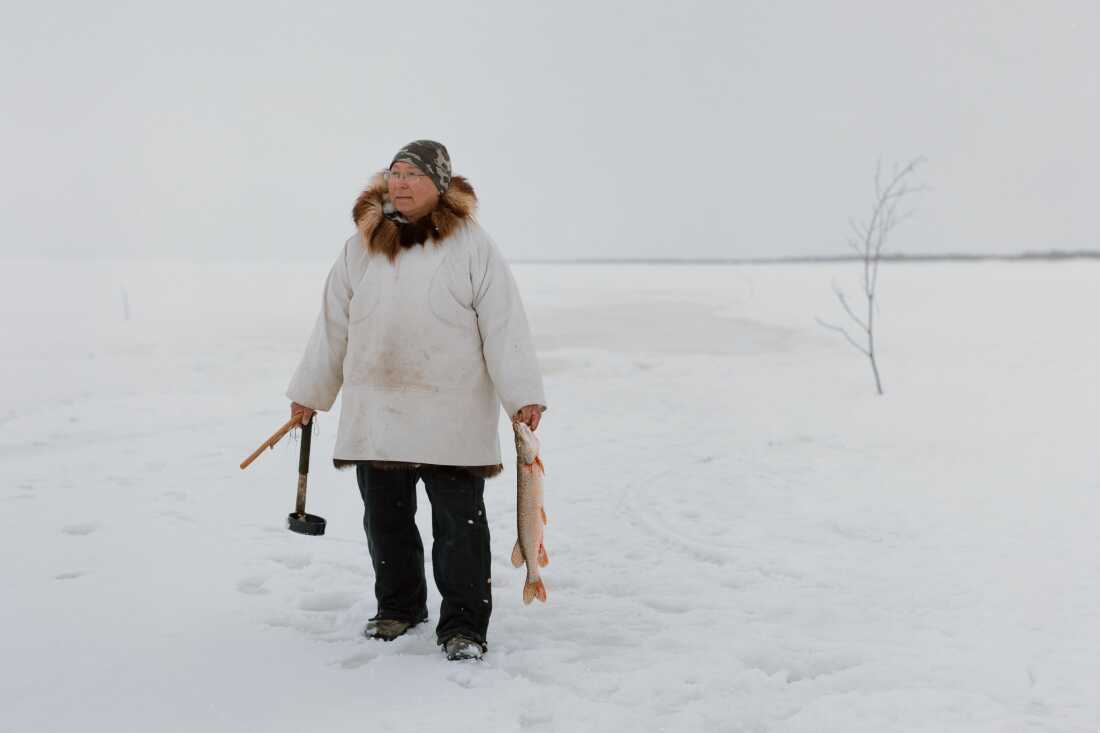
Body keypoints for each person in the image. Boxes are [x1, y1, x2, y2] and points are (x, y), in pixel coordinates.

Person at [285, 140, 546, 662]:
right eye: (395, 172)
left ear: (440, 183)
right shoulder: (360, 246)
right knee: (385, 521)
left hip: (451, 414)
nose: (400, 183)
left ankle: (465, 625)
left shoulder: (473, 245)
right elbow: (332, 326)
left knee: (459, 529)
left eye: (413, 175)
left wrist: (522, 395)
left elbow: (504, 325)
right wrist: (309, 395)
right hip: (376, 413)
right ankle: (399, 607)